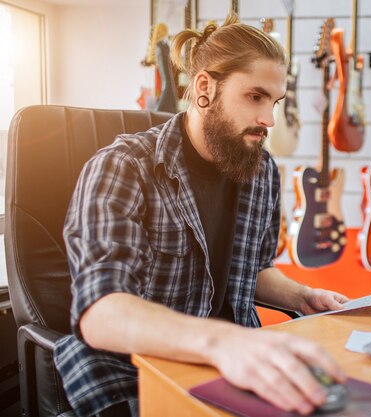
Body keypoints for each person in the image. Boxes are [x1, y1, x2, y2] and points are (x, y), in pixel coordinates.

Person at [53, 14, 349, 417]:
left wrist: (303, 296)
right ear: (206, 87)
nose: (269, 119)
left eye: (275, 102)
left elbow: (253, 269)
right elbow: (103, 312)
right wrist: (221, 342)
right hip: (131, 371)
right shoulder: (123, 167)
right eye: (255, 97)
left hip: (230, 368)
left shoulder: (260, 169)